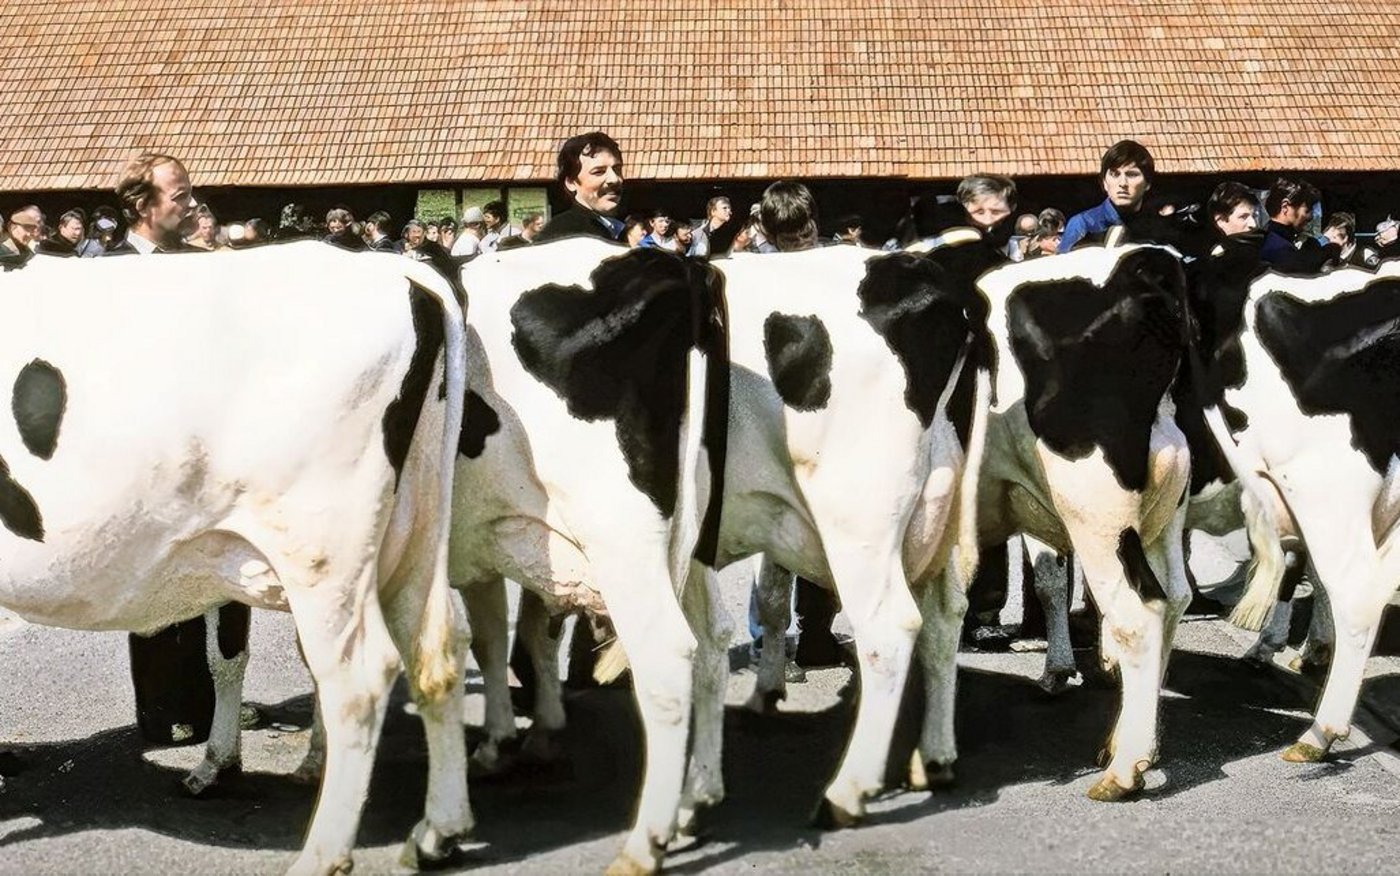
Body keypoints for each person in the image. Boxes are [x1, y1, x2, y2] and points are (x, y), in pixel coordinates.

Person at [104, 152, 254, 746]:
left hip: (202, 442)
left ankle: (213, 700)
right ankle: (165, 712)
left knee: (208, 575)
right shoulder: (107, 273)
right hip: (142, 445)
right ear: (143, 205)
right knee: (156, 583)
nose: (191, 204)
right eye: (180, 195)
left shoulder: (198, 267)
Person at [1058, 139, 1156, 252]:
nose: (1123, 183)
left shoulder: (1157, 228)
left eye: (1132, 174)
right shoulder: (1083, 225)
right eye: (1115, 174)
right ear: (1104, 182)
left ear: (1148, 183)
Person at [534, 131, 625, 243]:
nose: (614, 179)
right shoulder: (568, 236)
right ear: (571, 183)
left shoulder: (610, 228)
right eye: (599, 172)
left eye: (617, 169)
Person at [1259, 177, 1338, 274]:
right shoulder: (1277, 248)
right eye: (1307, 210)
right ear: (1285, 207)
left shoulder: (1270, 240)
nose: (1311, 217)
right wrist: (1329, 251)